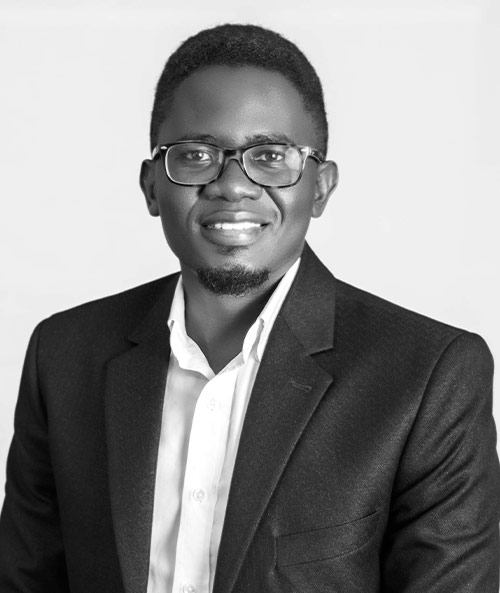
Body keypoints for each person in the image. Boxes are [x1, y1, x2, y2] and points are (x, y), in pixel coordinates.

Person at [0, 23, 499, 593]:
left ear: (320, 187)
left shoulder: (428, 375)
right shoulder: (64, 355)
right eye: (196, 155)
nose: (233, 185)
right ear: (151, 186)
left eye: (270, 155)